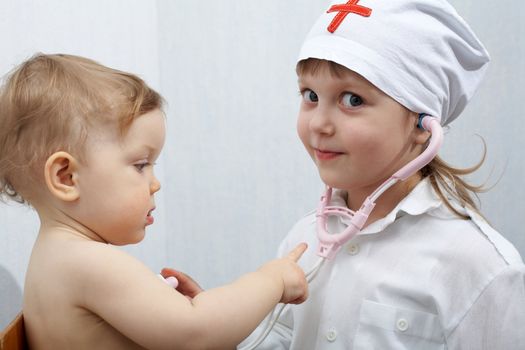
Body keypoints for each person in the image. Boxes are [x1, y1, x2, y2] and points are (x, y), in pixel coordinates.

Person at [234, 0, 525, 349]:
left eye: (352, 100)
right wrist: (205, 322)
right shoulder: (305, 239)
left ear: (422, 124)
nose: (318, 123)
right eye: (310, 95)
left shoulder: (478, 266)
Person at [0, 53, 309, 350]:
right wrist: (271, 280)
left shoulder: (52, 258)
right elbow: (197, 333)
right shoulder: (88, 263)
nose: (155, 183)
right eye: (140, 165)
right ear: (67, 177)